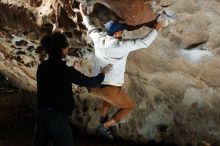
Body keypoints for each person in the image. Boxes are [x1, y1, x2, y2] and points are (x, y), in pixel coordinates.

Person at [79, 3, 166, 140]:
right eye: (121, 30)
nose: (123, 32)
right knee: (129, 106)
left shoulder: (98, 38)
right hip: (108, 89)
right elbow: (145, 42)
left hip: (93, 87)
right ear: (116, 33)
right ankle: (105, 126)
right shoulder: (121, 45)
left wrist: (84, 15)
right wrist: (158, 26)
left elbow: (90, 27)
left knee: (109, 94)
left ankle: (103, 117)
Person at [33, 32, 112, 146]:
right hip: (58, 117)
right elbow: (90, 82)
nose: (68, 48)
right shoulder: (66, 71)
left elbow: (55, 79)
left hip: (41, 115)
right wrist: (103, 74)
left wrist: (72, 70)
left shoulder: (42, 67)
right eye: (66, 46)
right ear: (62, 49)